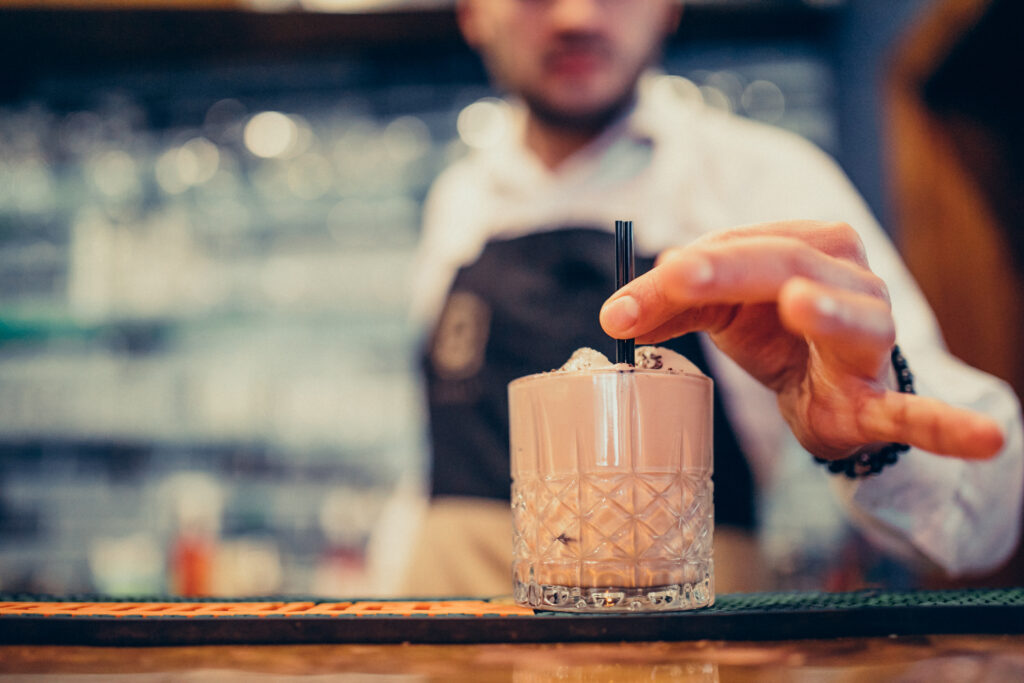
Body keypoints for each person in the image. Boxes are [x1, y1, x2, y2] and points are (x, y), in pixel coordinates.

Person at [397, 0, 1023, 596]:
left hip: (684, 644)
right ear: (473, 12)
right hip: (453, 644)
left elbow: (983, 524)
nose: (577, 16)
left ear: (668, 5)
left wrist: (872, 428)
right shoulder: (459, 197)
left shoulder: (765, 178)